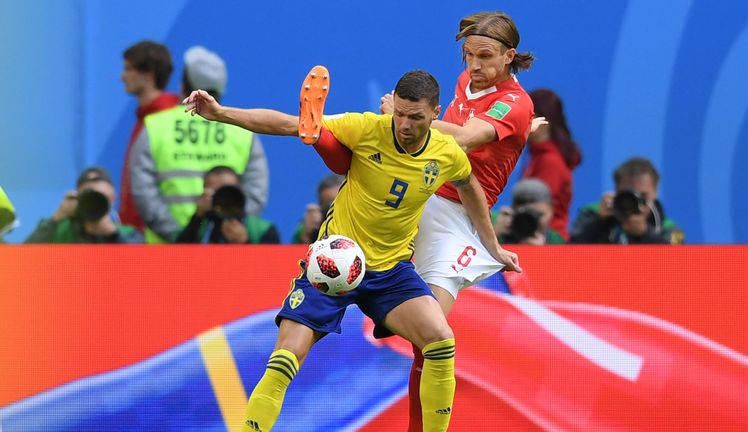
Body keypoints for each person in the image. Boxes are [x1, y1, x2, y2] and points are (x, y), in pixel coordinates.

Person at [184, 67, 519, 432]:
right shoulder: (367, 128)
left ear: (435, 113)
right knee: (285, 357)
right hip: (333, 263)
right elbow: (288, 124)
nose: (404, 124)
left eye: (416, 117)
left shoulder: (446, 152)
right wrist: (221, 113)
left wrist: (492, 245)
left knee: (440, 340)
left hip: (390, 271)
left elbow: (469, 185)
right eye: (400, 114)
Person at [325, 11, 538, 430]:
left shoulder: (516, 103)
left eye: (486, 56)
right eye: (468, 55)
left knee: (433, 337)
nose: (474, 66)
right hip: (421, 199)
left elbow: (462, 138)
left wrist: (397, 118)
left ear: (510, 55)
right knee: (355, 159)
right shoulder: (466, 84)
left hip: (460, 219)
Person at [130, 46, 269, 243]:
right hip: (227, 249)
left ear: (184, 85)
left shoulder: (156, 127)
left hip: (165, 253)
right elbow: (256, 193)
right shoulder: (242, 131)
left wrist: (181, 235)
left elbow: (143, 193)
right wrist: (229, 228)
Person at [119, 40, 178, 231]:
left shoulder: (168, 119)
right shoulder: (145, 117)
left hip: (159, 240)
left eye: (129, 69)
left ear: (149, 74)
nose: (122, 76)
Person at [570, 157, 684, 244]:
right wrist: (599, 222)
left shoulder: (670, 228)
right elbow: (569, 251)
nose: (637, 200)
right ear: (616, 190)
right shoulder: (592, 213)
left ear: (656, 192)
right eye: (630, 194)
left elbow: (678, 260)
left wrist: (645, 234)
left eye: (643, 195)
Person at [25, 167, 144, 244]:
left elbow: (146, 269)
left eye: (100, 198)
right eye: (89, 198)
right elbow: (25, 258)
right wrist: (57, 216)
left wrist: (113, 236)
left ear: (113, 198)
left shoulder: (127, 233)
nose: (94, 204)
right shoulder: (62, 231)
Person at [522, 88, 581, 240]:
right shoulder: (538, 157)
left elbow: (537, 210)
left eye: (528, 116)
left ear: (545, 123)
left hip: (548, 241)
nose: (521, 121)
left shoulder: (550, 162)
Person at [175, 166, 279, 244]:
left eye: (228, 192)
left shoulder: (263, 230)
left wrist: (245, 243)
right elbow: (178, 263)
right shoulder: (198, 228)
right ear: (205, 194)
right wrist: (197, 217)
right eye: (217, 193)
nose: (224, 200)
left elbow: (272, 270)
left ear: (240, 192)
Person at [493, 178, 566, 244]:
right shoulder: (495, 225)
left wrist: (541, 253)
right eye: (526, 215)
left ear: (551, 210)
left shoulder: (556, 241)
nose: (531, 221)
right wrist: (493, 235)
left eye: (539, 215)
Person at [291, 173, 344, 244]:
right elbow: (293, 252)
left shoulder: (358, 219)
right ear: (320, 205)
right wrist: (307, 234)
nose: (335, 207)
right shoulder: (310, 224)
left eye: (340, 201)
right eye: (330, 203)